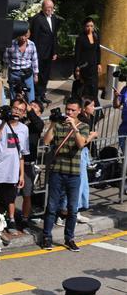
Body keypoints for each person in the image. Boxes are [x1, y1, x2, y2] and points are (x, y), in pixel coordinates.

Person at [41, 99, 91, 251]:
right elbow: (46, 141)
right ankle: (47, 237)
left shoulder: (84, 126)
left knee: (72, 208)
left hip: (74, 173)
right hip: (57, 171)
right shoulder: (58, 124)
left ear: (79, 111)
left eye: (73, 110)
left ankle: (69, 238)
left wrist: (74, 127)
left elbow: (81, 144)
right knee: (51, 206)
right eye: (68, 109)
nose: (69, 112)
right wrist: (52, 124)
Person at [0, 102, 29, 238]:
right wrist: (3, 122)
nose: (17, 112)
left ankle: (0, 224)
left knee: (6, 200)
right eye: (15, 108)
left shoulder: (24, 129)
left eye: (21, 110)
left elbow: (22, 153)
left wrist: (21, 174)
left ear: (24, 113)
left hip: (11, 170)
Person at [18, 99, 46, 229]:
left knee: (27, 194)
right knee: (10, 192)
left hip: (28, 163)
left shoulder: (37, 124)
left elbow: (37, 123)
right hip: (14, 161)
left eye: (34, 107)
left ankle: (25, 218)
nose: (30, 107)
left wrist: (29, 110)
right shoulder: (21, 121)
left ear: (39, 113)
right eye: (30, 105)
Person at [29, 0, 59, 104]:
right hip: (39, 52)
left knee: (46, 75)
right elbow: (35, 37)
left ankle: (42, 94)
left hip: (49, 52)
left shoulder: (53, 18)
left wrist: (55, 51)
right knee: (39, 74)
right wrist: (34, 53)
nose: (49, 9)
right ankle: (37, 95)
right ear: (43, 8)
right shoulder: (37, 19)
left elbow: (54, 36)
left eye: (51, 7)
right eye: (47, 7)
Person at [3, 29, 39, 103]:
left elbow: (34, 60)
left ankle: (30, 108)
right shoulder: (11, 44)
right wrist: (6, 71)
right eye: (21, 36)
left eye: (25, 36)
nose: (23, 38)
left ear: (28, 35)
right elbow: (6, 59)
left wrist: (36, 75)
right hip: (14, 73)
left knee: (30, 95)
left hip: (27, 73)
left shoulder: (32, 44)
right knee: (14, 95)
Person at [73, 17, 102, 104]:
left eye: (91, 26)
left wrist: (99, 63)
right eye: (87, 26)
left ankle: (95, 107)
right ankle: (85, 106)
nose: (90, 28)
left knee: (94, 88)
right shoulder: (80, 38)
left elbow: (98, 51)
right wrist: (77, 68)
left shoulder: (96, 36)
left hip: (93, 66)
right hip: (84, 67)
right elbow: (77, 54)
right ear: (84, 27)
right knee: (87, 89)